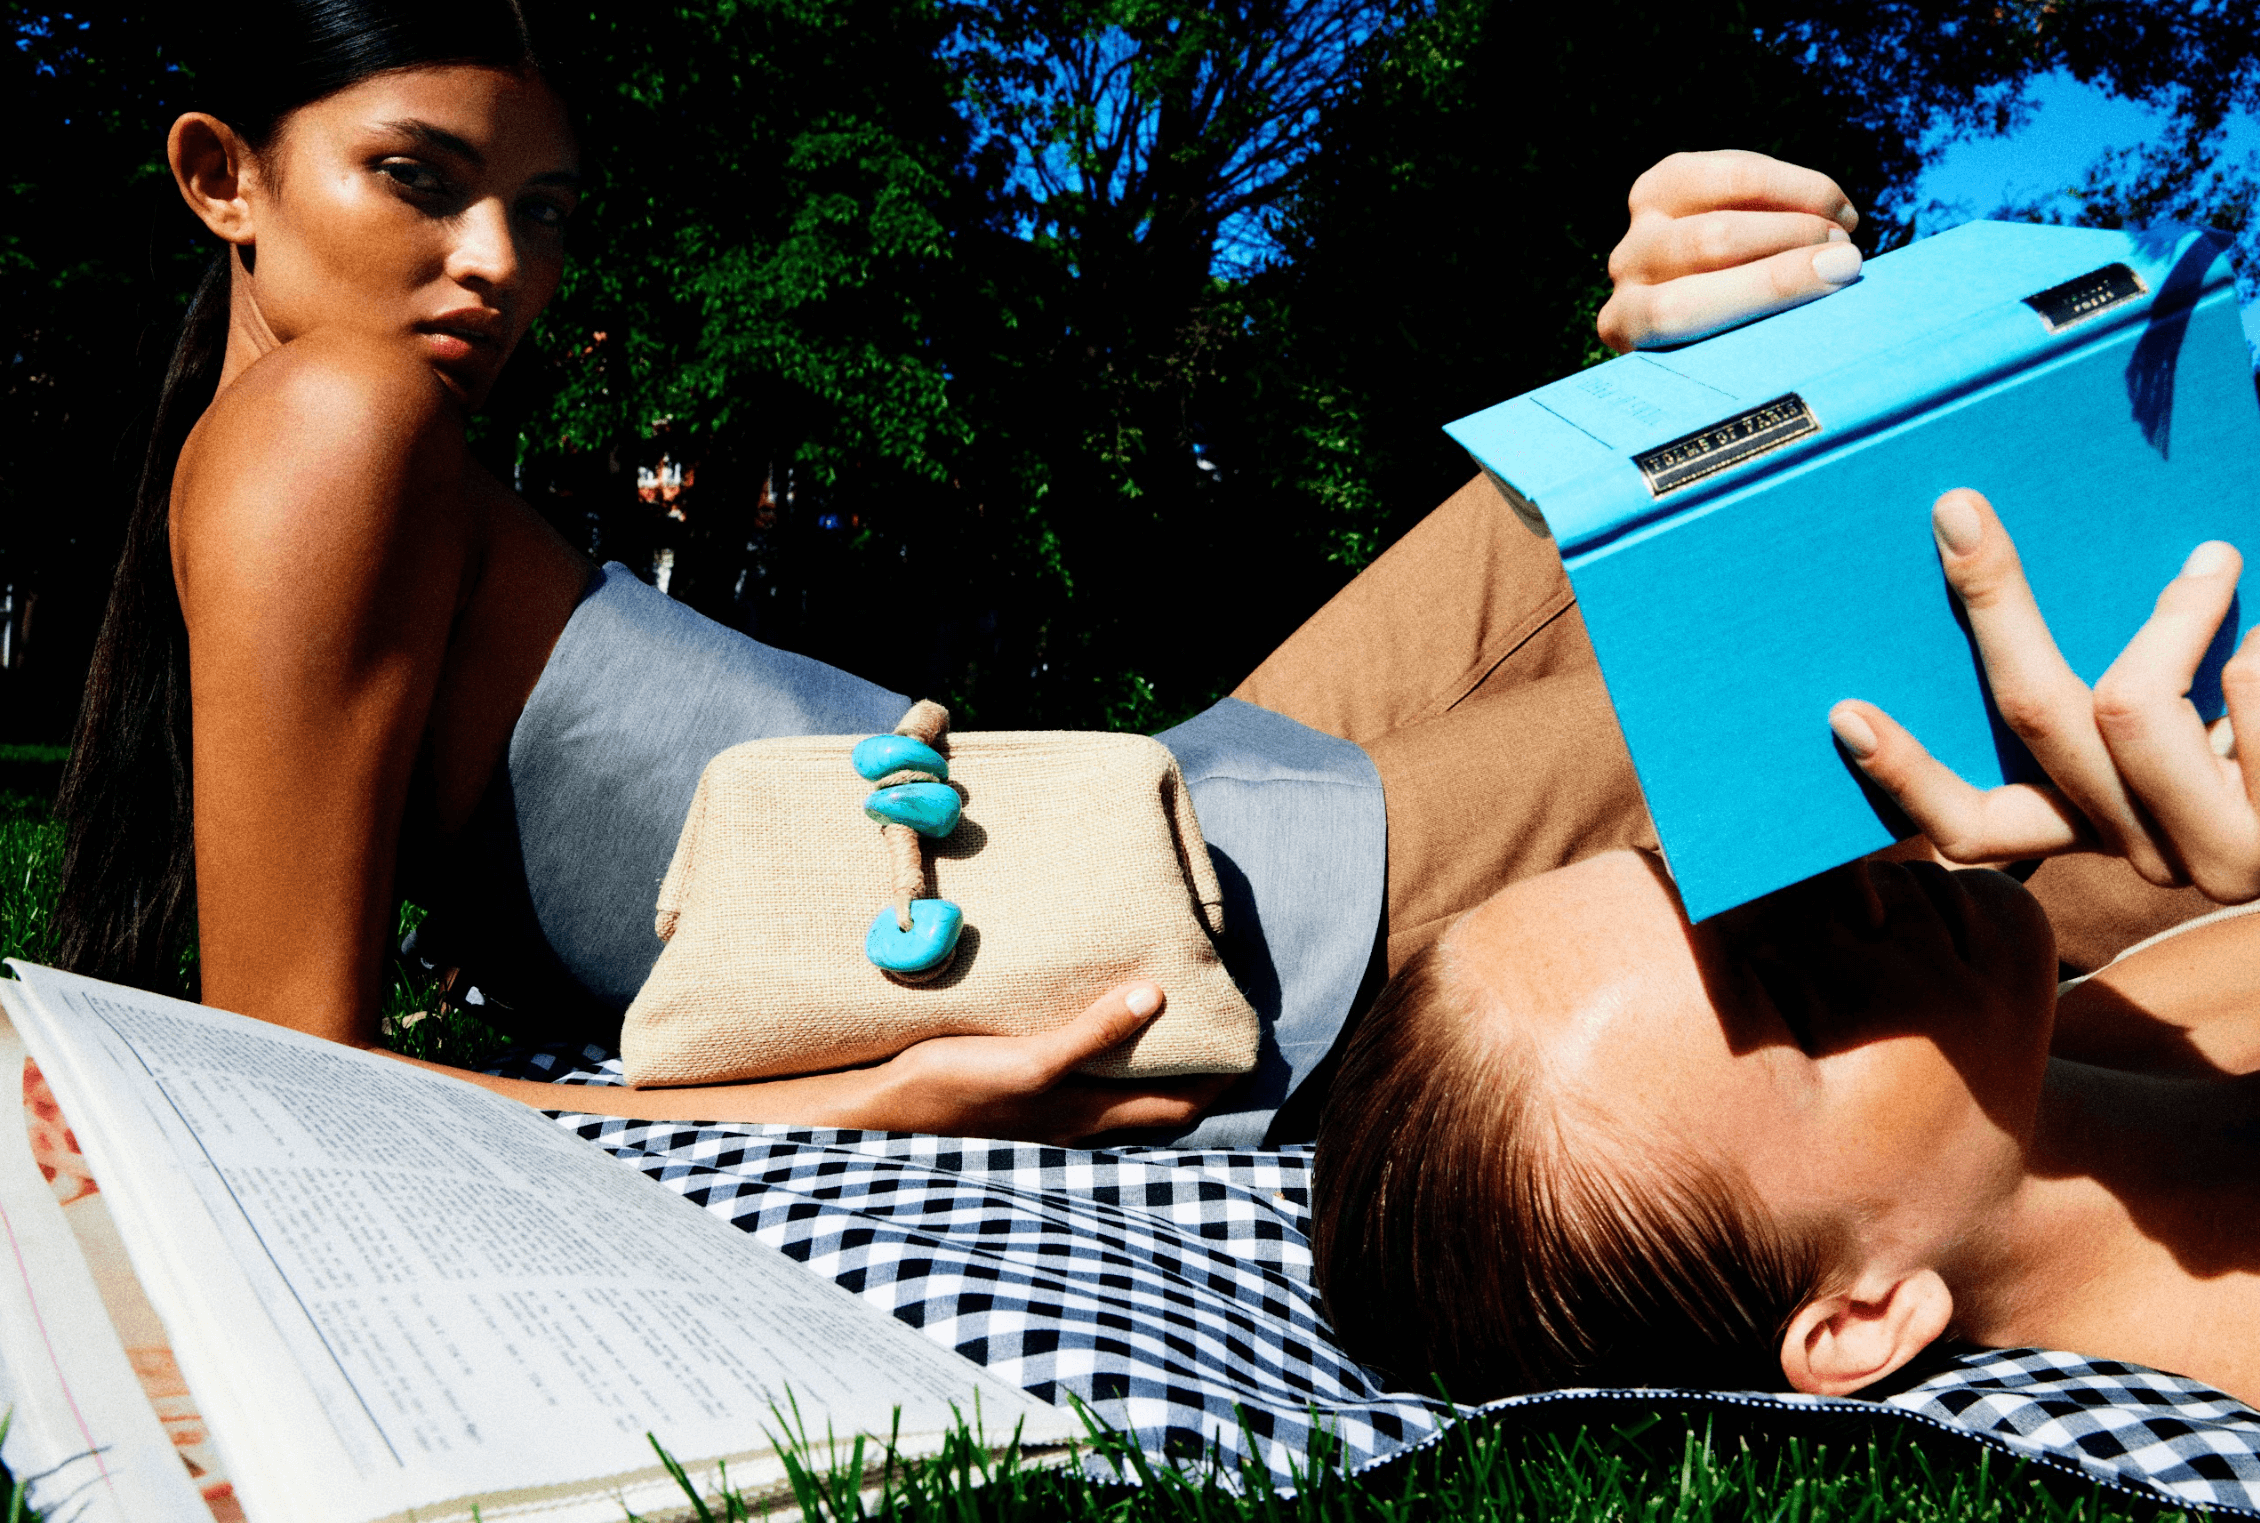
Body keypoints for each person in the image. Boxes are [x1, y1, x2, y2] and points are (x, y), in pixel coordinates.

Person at [48, 0, 1887, 1146]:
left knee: (1633, 454)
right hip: (1110, 929)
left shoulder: (339, 445)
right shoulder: (332, 420)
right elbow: (286, 1078)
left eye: (540, 208)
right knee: (1862, 667)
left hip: (1117, 817)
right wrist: (855, 1100)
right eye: (418, 179)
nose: (496, 265)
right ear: (224, 177)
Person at [1311, 477, 2260, 1407]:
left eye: (1716, 889)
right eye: (1802, 1002)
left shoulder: (2115, 1031)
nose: (1842, 883)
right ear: (1860, 1322)